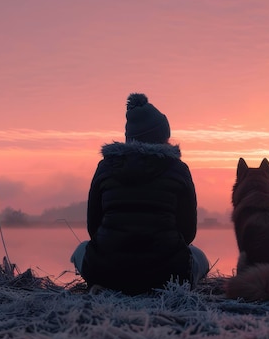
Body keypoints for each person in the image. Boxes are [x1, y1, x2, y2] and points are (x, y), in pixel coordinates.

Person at [71, 93, 209, 295]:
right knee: (200, 257)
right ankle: (165, 287)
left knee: (79, 251)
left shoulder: (105, 167)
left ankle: (104, 286)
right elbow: (188, 232)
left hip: (107, 272)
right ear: (163, 137)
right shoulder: (178, 169)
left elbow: (94, 228)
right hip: (167, 275)